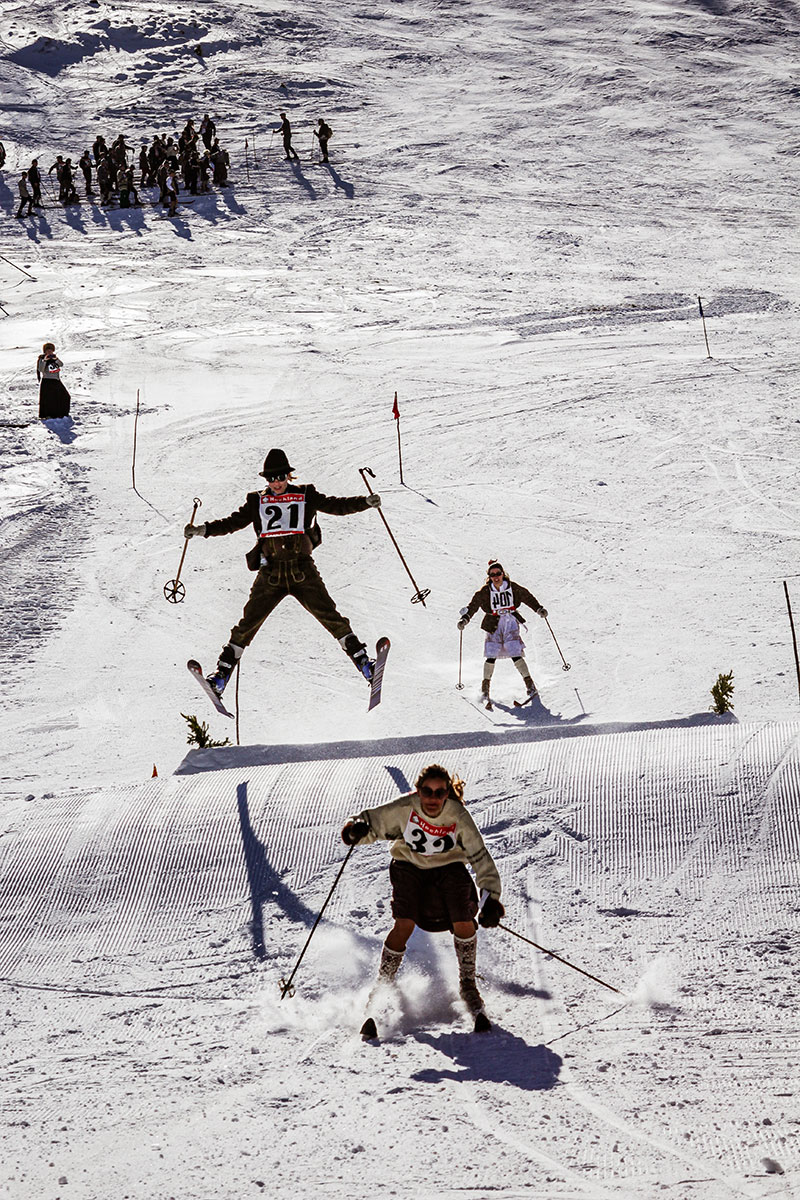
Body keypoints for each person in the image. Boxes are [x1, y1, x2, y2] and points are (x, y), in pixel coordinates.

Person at [183, 448, 382, 696]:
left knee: (330, 615)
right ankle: (220, 678)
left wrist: (364, 502)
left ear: (288, 475)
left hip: (302, 569)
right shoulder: (257, 500)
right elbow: (232, 522)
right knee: (247, 625)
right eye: (271, 479)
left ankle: (365, 665)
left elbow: (335, 506)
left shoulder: (306, 494)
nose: (276, 483)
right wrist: (202, 530)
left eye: (280, 477)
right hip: (271, 573)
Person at [341, 763, 505, 1037]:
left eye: (439, 793)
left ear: (446, 794)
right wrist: (355, 829)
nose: (432, 798)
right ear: (418, 791)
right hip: (409, 868)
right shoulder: (407, 807)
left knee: (464, 920)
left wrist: (490, 898)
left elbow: (478, 856)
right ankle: (383, 985)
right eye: (427, 792)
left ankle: (467, 985)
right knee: (404, 923)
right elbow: (373, 823)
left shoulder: (457, 815)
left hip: (448, 870)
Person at [458, 560, 548, 703]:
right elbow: (473, 605)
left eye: (498, 574)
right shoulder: (486, 591)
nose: (496, 577)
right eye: (492, 575)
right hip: (493, 624)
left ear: (503, 574)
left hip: (510, 623)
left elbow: (527, 596)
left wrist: (539, 609)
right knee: (491, 654)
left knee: (515, 651)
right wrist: (465, 619)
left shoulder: (512, 588)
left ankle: (530, 685)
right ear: (489, 576)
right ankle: (485, 688)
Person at [36, 343, 71, 419]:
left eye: (51, 350)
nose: (49, 352)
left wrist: (56, 359)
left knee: (65, 396)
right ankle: (49, 415)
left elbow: (61, 364)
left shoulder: (54, 358)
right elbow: (41, 369)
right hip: (47, 381)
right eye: (48, 350)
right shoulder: (41, 359)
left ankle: (61, 413)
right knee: (49, 400)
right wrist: (45, 361)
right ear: (45, 351)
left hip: (56, 380)